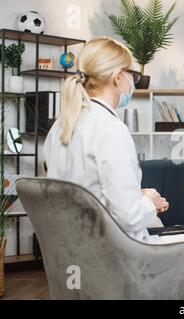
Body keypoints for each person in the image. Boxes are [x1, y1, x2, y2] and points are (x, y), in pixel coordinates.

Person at [44, 37, 169, 243]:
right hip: (112, 255)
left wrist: (137, 195)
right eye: (133, 75)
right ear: (118, 76)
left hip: (71, 248)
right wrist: (150, 203)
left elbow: (86, 191)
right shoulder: (111, 129)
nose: (133, 82)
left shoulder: (60, 127)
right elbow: (129, 218)